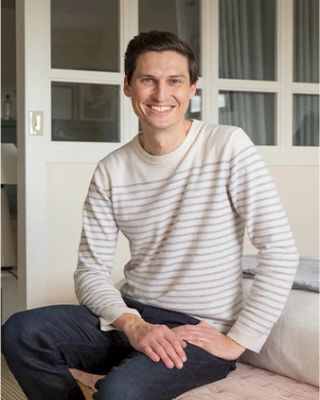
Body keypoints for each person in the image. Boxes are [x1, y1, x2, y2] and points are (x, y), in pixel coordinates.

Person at [2, 31, 299, 400]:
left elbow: (280, 251)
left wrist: (236, 341)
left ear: (192, 89)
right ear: (127, 87)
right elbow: (90, 271)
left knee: (118, 393)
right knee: (21, 332)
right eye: (148, 80)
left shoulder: (227, 146)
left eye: (175, 81)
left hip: (196, 330)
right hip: (132, 316)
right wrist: (132, 323)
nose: (161, 95)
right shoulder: (112, 169)